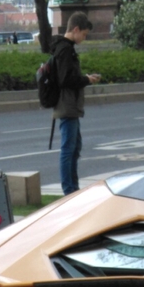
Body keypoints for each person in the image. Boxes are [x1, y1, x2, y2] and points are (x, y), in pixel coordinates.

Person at [42, 13, 101, 196]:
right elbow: (66, 79)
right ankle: (69, 190)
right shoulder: (65, 49)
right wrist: (86, 79)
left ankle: (72, 188)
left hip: (69, 104)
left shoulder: (63, 47)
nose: (84, 38)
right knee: (69, 149)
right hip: (67, 105)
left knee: (74, 147)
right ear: (75, 29)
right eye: (83, 34)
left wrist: (84, 78)